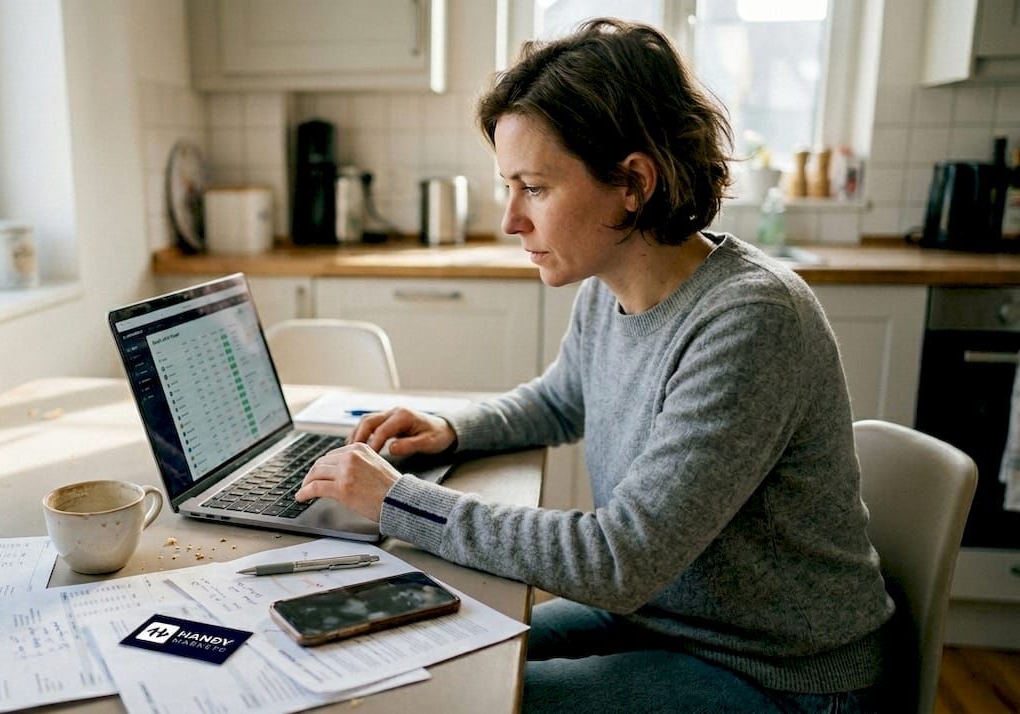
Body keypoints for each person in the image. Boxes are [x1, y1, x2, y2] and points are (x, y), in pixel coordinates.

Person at [295, 17, 893, 713]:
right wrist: (449, 429)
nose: (511, 219)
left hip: (777, 673)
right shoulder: (609, 289)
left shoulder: (751, 320)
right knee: (425, 656)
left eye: (535, 188)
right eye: (507, 186)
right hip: (661, 619)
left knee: (464, 698)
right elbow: (558, 401)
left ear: (633, 182)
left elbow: (617, 560)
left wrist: (398, 498)